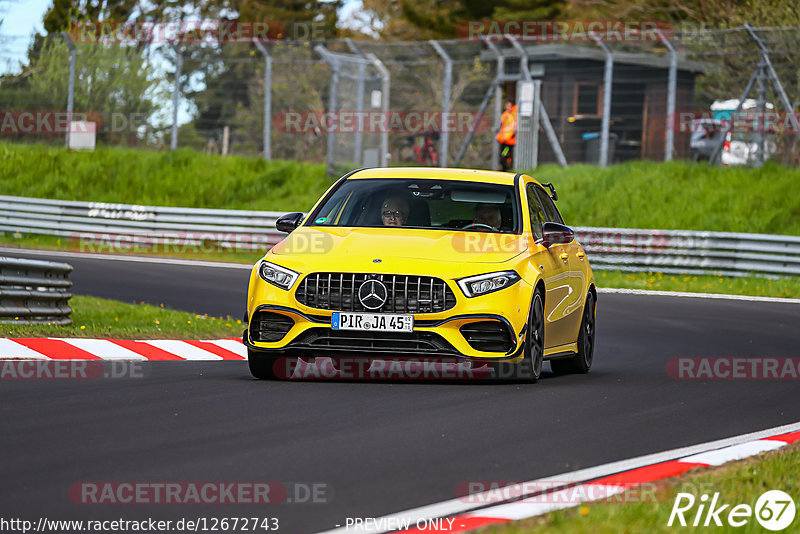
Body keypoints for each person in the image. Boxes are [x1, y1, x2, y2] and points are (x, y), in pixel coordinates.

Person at [496, 101, 517, 171]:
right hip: (504, 140)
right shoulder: (505, 115)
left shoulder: (513, 115)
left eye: (509, 106)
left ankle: (506, 167)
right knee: (504, 154)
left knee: (506, 154)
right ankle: (505, 167)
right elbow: (503, 126)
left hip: (509, 140)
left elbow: (512, 128)